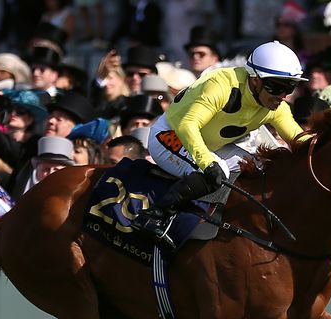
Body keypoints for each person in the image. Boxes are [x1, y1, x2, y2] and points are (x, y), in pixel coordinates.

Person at [130, 41, 308, 247]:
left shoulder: (276, 106)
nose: (283, 95)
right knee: (218, 171)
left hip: (210, 144)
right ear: (255, 79)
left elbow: (298, 139)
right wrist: (207, 162)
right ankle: (154, 215)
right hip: (171, 135)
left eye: (290, 87)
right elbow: (188, 125)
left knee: (259, 168)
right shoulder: (221, 84)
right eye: (277, 86)